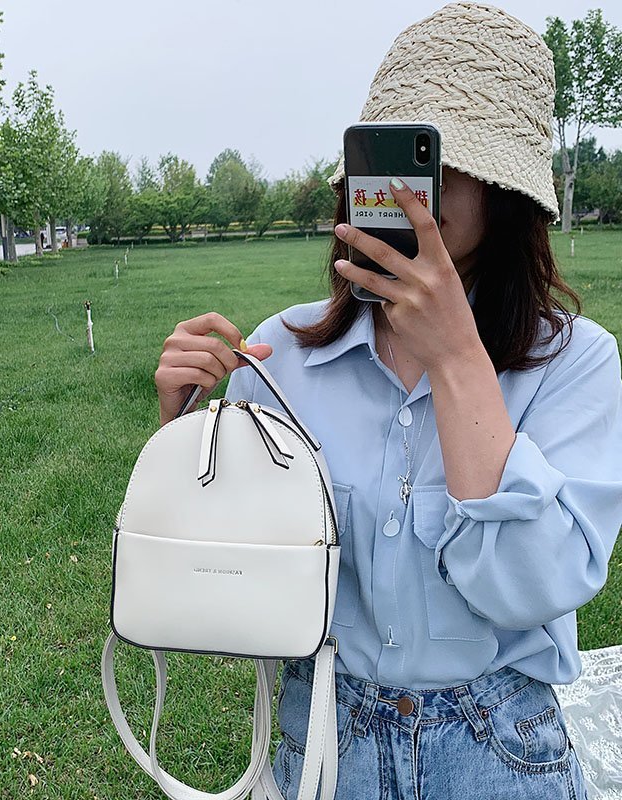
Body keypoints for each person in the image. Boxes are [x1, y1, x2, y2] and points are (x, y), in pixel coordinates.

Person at [154, 2, 622, 797]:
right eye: (396, 158)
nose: (415, 188)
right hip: (325, 739)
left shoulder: (574, 362)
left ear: (506, 191)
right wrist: (185, 439)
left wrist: (456, 359)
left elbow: (534, 589)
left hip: (499, 748)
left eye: (443, 159)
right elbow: (226, 583)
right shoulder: (282, 353)